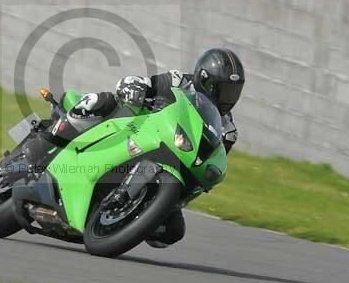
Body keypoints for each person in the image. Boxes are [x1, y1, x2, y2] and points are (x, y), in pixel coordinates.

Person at [69, 48, 245, 248]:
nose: (229, 97)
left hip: (173, 164)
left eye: (234, 91)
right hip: (136, 131)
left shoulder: (227, 128)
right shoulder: (179, 81)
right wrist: (134, 87)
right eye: (224, 89)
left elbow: (211, 158)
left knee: (172, 232)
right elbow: (143, 83)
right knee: (100, 102)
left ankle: (120, 220)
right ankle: (51, 138)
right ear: (206, 80)